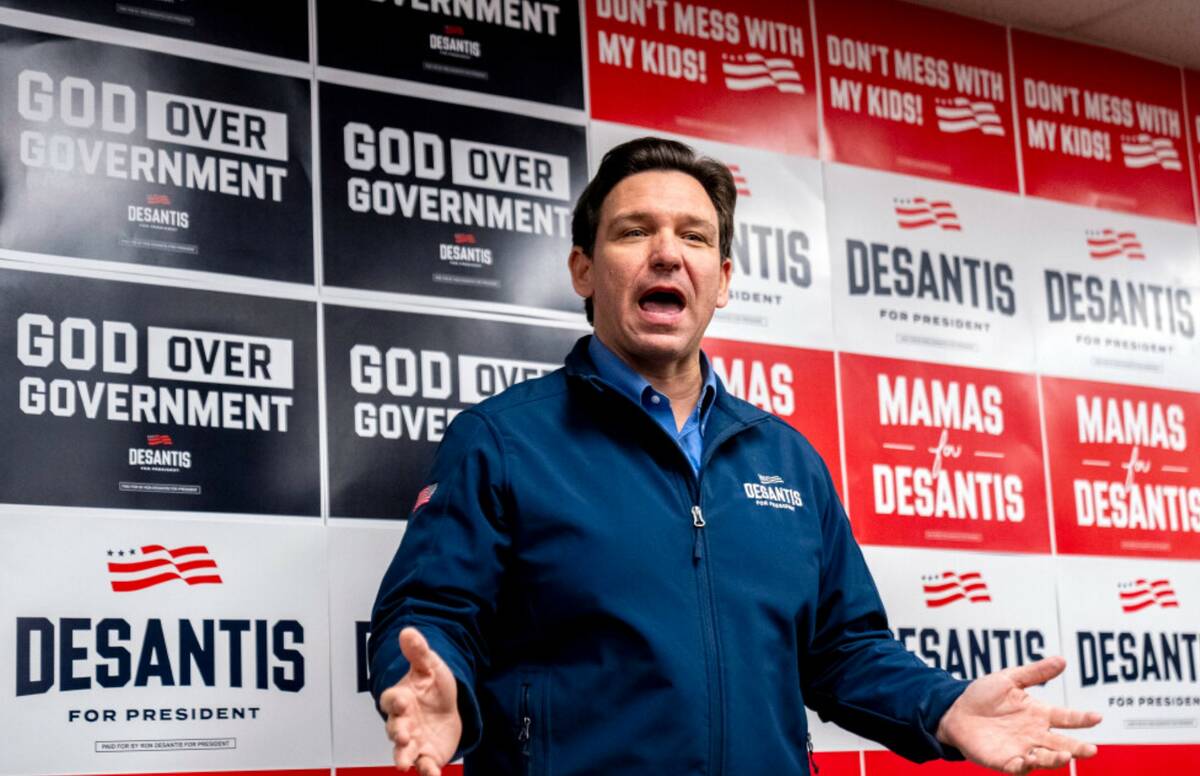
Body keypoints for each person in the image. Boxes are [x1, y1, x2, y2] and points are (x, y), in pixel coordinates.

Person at [368, 137, 1101, 775]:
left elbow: (844, 650)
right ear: (584, 271)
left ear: (721, 279)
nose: (666, 252)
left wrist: (942, 708)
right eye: (634, 232)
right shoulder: (503, 440)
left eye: (693, 236)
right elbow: (433, 613)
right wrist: (436, 692)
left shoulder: (786, 459)